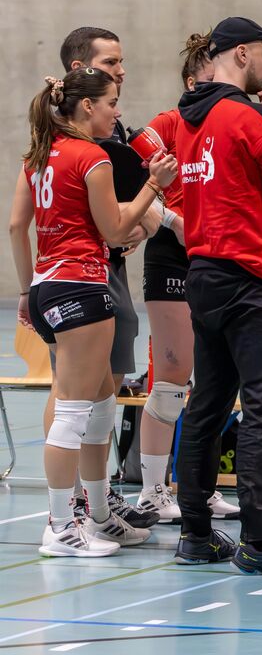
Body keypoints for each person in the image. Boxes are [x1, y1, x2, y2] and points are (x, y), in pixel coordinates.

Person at [9, 68, 177, 556]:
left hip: (46, 285)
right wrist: (154, 185)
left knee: (101, 402)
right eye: (111, 102)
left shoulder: (38, 155)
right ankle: (61, 527)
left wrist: (26, 289)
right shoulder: (91, 157)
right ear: (87, 106)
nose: (116, 112)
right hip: (80, 286)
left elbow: (16, 226)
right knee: (72, 410)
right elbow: (115, 230)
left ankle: (100, 517)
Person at [171, 17, 262, 574]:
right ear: (239, 54)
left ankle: (195, 534)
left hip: (205, 274)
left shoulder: (190, 117)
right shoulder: (250, 118)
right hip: (252, 280)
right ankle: (258, 543)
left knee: (207, 405)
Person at [55, 27, 159, 529]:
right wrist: (142, 205)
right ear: (81, 72)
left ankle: (96, 499)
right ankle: (68, 510)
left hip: (106, 268)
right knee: (71, 394)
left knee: (105, 385)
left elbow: (125, 215)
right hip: (76, 276)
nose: (122, 70)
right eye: (112, 62)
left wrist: (140, 223)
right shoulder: (67, 143)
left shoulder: (111, 134)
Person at [133, 32, 239, 523]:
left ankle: (201, 486)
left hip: (218, 257)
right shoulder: (166, 125)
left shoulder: (233, 123)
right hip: (173, 258)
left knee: (216, 381)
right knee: (173, 376)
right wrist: (175, 221)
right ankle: (153, 491)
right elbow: (134, 191)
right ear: (194, 81)